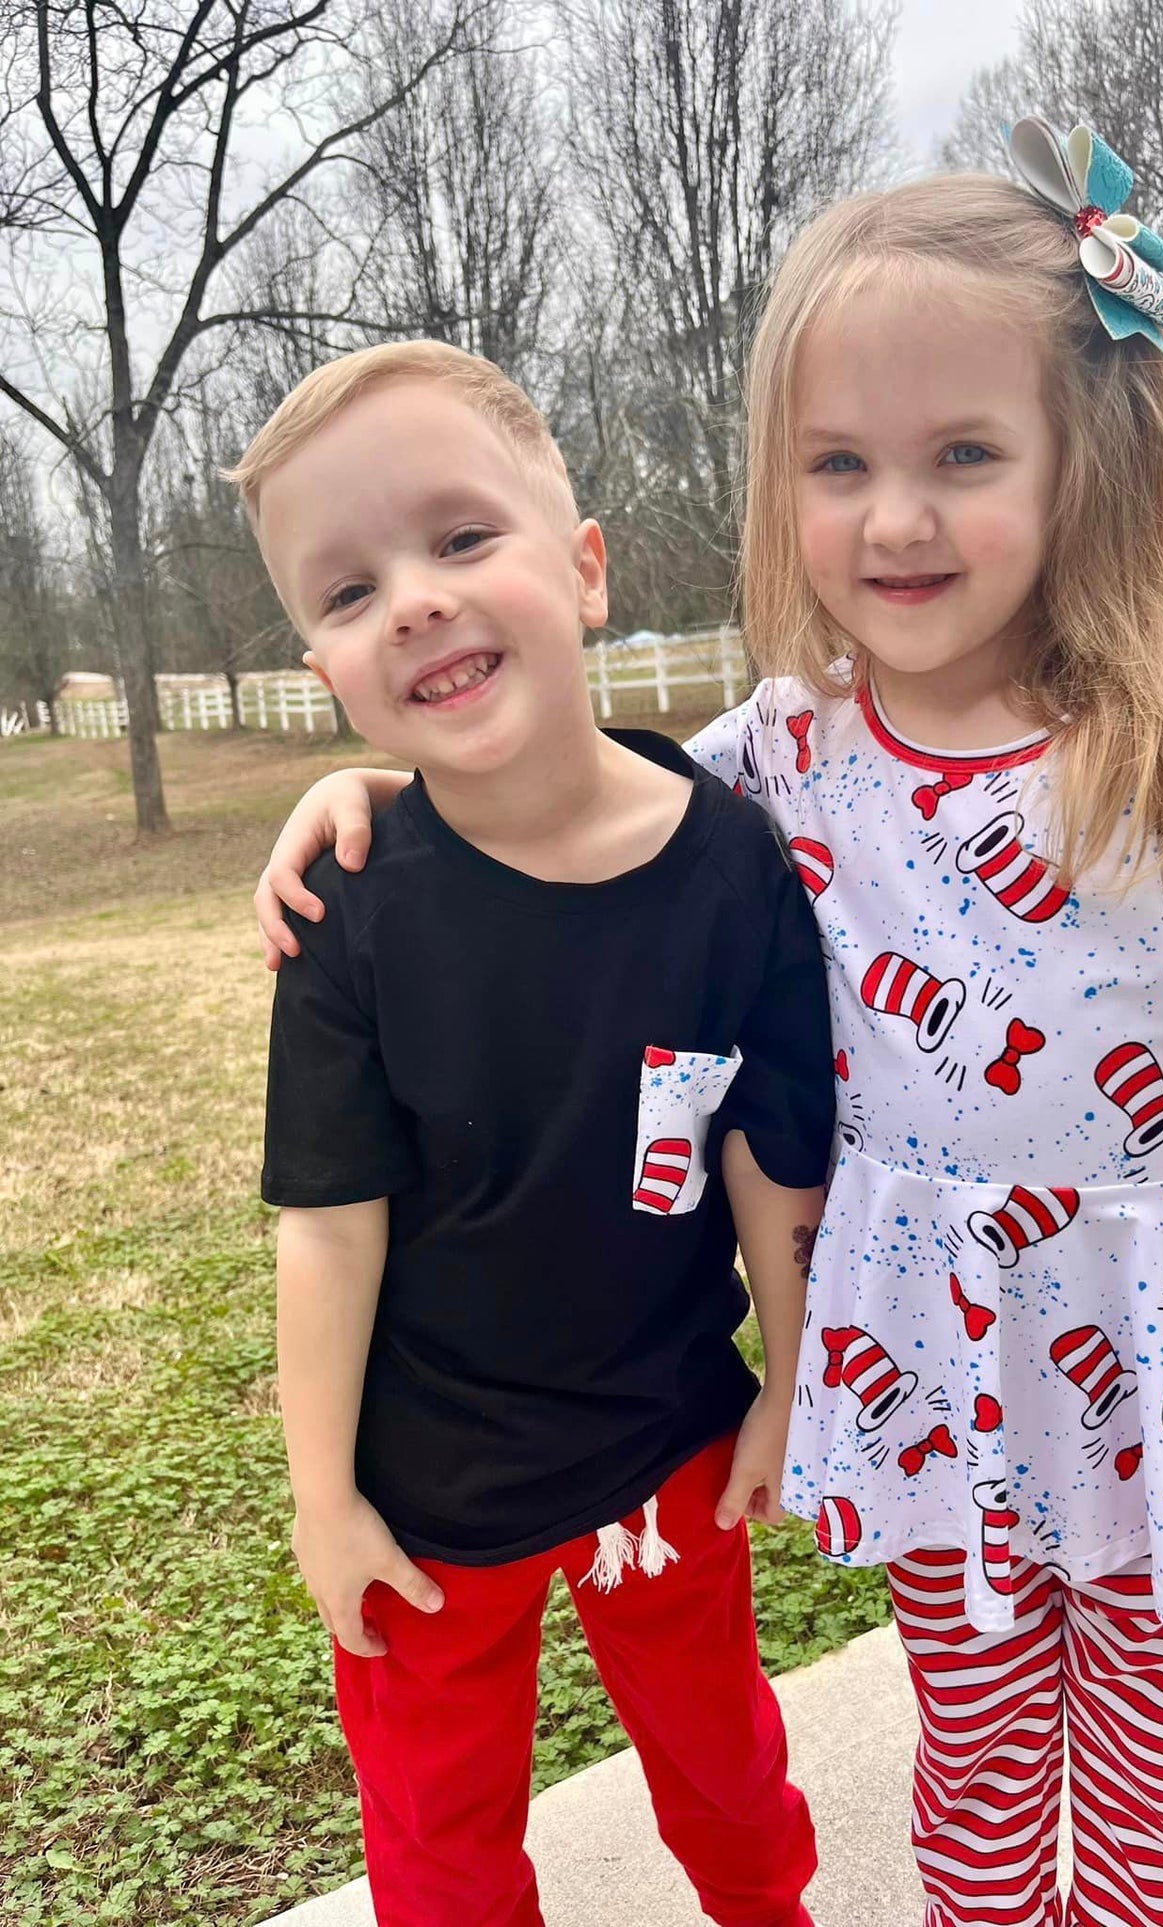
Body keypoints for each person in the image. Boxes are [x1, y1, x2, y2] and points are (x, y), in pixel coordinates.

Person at [252, 123, 1163, 1927]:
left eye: (961, 457)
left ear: (1078, 463)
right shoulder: (780, 756)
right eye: (837, 463)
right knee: (976, 1795)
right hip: (934, 1392)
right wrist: (368, 782)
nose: (894, 516)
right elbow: (554, 797)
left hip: (1154, 1389)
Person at [228, 339, 836, 1927]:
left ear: (580, 572)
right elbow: (328, 1220)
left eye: (456, 538)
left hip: (670, 1446)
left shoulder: (733, 871)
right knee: (437, 1845)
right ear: (326, 675)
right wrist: (322, 1498)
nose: (412, 599)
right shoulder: (349, 903)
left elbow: (770, 1150)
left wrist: (787, 1382)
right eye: (346, 591)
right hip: (426, 1496)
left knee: (727, 1775)